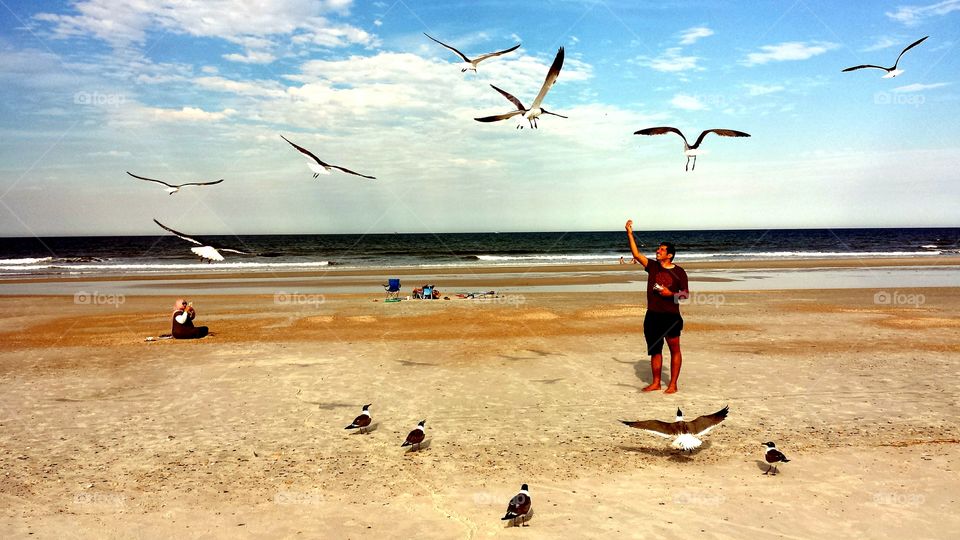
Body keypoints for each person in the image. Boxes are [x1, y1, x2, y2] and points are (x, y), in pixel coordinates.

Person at [625, 220, 689, 393]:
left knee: (674, 350)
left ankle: (673, 384)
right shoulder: (652, 266)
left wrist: (671, 294)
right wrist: (630, 233)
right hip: (652, 315)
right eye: (658, 249)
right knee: (655, 350)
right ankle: (656, 383)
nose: (657, 251)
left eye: (661, 250)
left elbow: (685, 295)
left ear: (669, 255)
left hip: (671, 317)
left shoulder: (680, 272)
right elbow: (637, 254)